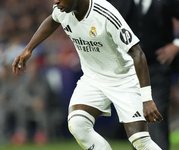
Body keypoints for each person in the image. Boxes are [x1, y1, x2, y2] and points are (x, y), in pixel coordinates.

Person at [12, 0, 163, 149]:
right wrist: (29, 49)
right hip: (93, 78)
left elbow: (137, 53)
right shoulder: (63, 9)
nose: (56, 2)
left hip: (123, 79)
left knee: (140, 141)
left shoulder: (105, 14)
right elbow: (52, 19)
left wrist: (147, 99)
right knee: (78, 125)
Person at [107, 0, 179, 149]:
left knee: (158, 114)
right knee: (135, 118)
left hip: (158, 67)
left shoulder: (165, 1)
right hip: (130, 69)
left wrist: (178, 44)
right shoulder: (119, 2)